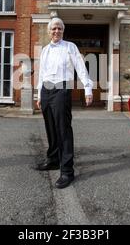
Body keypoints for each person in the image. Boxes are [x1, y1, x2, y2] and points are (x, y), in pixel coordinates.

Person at [36, 17, 93, 189]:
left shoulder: (70, 47)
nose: (56, 31)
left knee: (63, 130)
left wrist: (88, 89)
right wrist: (39, 95)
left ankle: (67, 171)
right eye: (54, 28)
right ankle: (53, 160)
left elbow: (81, 68)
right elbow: (41, 74)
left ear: (63, 30)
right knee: (51, 129)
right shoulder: (45, 50)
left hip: (62, 90)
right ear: (49, 31)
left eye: (59, 28)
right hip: (46, 91)